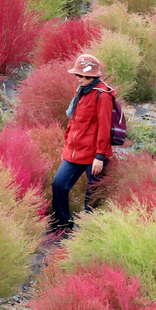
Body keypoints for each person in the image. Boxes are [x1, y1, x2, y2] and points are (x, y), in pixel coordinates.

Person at [50, 53, 115, 235]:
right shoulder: (82, 90)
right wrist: (68, 142)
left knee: (92, 197)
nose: (77, 79)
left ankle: (90, 233)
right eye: (77, 75)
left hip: (94, 156)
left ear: (91, 75)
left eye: (80, 75)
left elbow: (104, 127)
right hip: (75, 152)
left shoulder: (102, 96)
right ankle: (63, 224)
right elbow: (75, 121)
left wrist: (100, 156)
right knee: (58, 184)